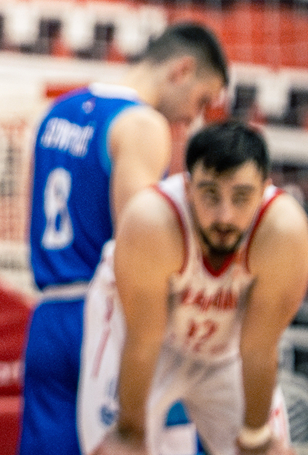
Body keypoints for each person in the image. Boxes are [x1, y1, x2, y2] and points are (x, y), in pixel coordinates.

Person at [18, 23, 229, 455]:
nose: (195, 119)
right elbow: (140, 248)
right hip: (104, 319)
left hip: (47, 319)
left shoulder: (56, 112)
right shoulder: (142, 124)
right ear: (181, 70)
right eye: (201, 100)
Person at [79, 119, 308, 455]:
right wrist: (129, 433)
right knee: (116, 448)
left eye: (241, 197)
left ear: (264, 191)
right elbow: (143, 341)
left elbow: (259, 348)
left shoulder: (283, 231)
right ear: (187, 188)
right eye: (210, 194)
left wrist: (255, 438)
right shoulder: (151, 221)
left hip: (228, 350)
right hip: (141, 340)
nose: (225, 216)